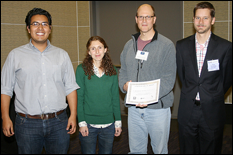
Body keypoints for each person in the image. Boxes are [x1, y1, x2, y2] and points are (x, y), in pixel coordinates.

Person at [1, 8, 80, 154]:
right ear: (28, 28)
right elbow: (5, 89)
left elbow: (70, 87)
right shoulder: (15, 55)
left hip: (59, 122)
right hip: (27, 124)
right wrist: (5, 117)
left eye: (44, 24)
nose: (40, 28)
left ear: (50, 28)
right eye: (35, 24)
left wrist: (73, 115)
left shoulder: (62, 55)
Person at [118, 4, 176, 154]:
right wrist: (124, 86)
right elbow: (122, 71)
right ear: (136, 19)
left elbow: (169, 79)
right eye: (141, 17)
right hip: (134, 110)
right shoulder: (128, 45)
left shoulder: (166, 45)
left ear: (154, 19)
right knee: (136, 150)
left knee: (160, 150)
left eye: (148, 17)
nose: (144, 20)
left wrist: (150, 97)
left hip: (158, 109)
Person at [176, 2, 232, 154]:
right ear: (193, 19)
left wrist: (212, 93)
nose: (201, 22)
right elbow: (183, 77)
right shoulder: (181, 46)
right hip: (188, 111)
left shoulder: (225, 47)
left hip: (212, 111)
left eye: (205, 18)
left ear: (212, 20)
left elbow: (227, 79)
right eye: (197, 18)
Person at [76, 36, 122, 154]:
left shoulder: (113, 71)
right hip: (88, 124)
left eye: (100, 48)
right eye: (93, 48)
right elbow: (79, 97)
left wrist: (118, 121)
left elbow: (115, 98)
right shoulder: (82, 70)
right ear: (88, 52)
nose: (97, 52)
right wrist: (81, 122)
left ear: (105, 49)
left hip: (109, 124)